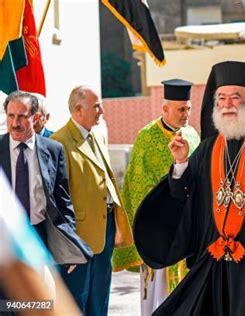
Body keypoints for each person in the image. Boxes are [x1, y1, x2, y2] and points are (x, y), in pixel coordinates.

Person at [133, 61, 245, 315]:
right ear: (214, 104)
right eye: (221, 98)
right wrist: (181, 164)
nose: (227, 104)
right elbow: (184, 198)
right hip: (215, 265)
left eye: (235, 97)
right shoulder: (207, 149)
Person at [112, 79, 200, 315]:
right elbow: (138, 185)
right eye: (181, 109)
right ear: (165, 109)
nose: (186, 114)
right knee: (157, 296)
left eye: (188, 108)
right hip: (158, 231)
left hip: (188, 229)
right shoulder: (147, 137)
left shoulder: (192, 135)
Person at [51, 85, 133, 316]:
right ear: (78, 109)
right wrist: (66, 242)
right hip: (79, 234)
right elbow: (58, 198)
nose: (102, 110)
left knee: (100, 293)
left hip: (105, 228)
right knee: (78, 296)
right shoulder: (60, 142)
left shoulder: (98, 134)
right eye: (96, 106)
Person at [0, 91, 92, 269]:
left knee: (39, 295)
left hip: (40, 235)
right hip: (4, 236)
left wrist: (69, 243)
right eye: (11, 116)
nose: (15, 123)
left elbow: (62, 200)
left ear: (35, 117)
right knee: (6, 296)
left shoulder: (54, 149)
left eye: (22, 116)